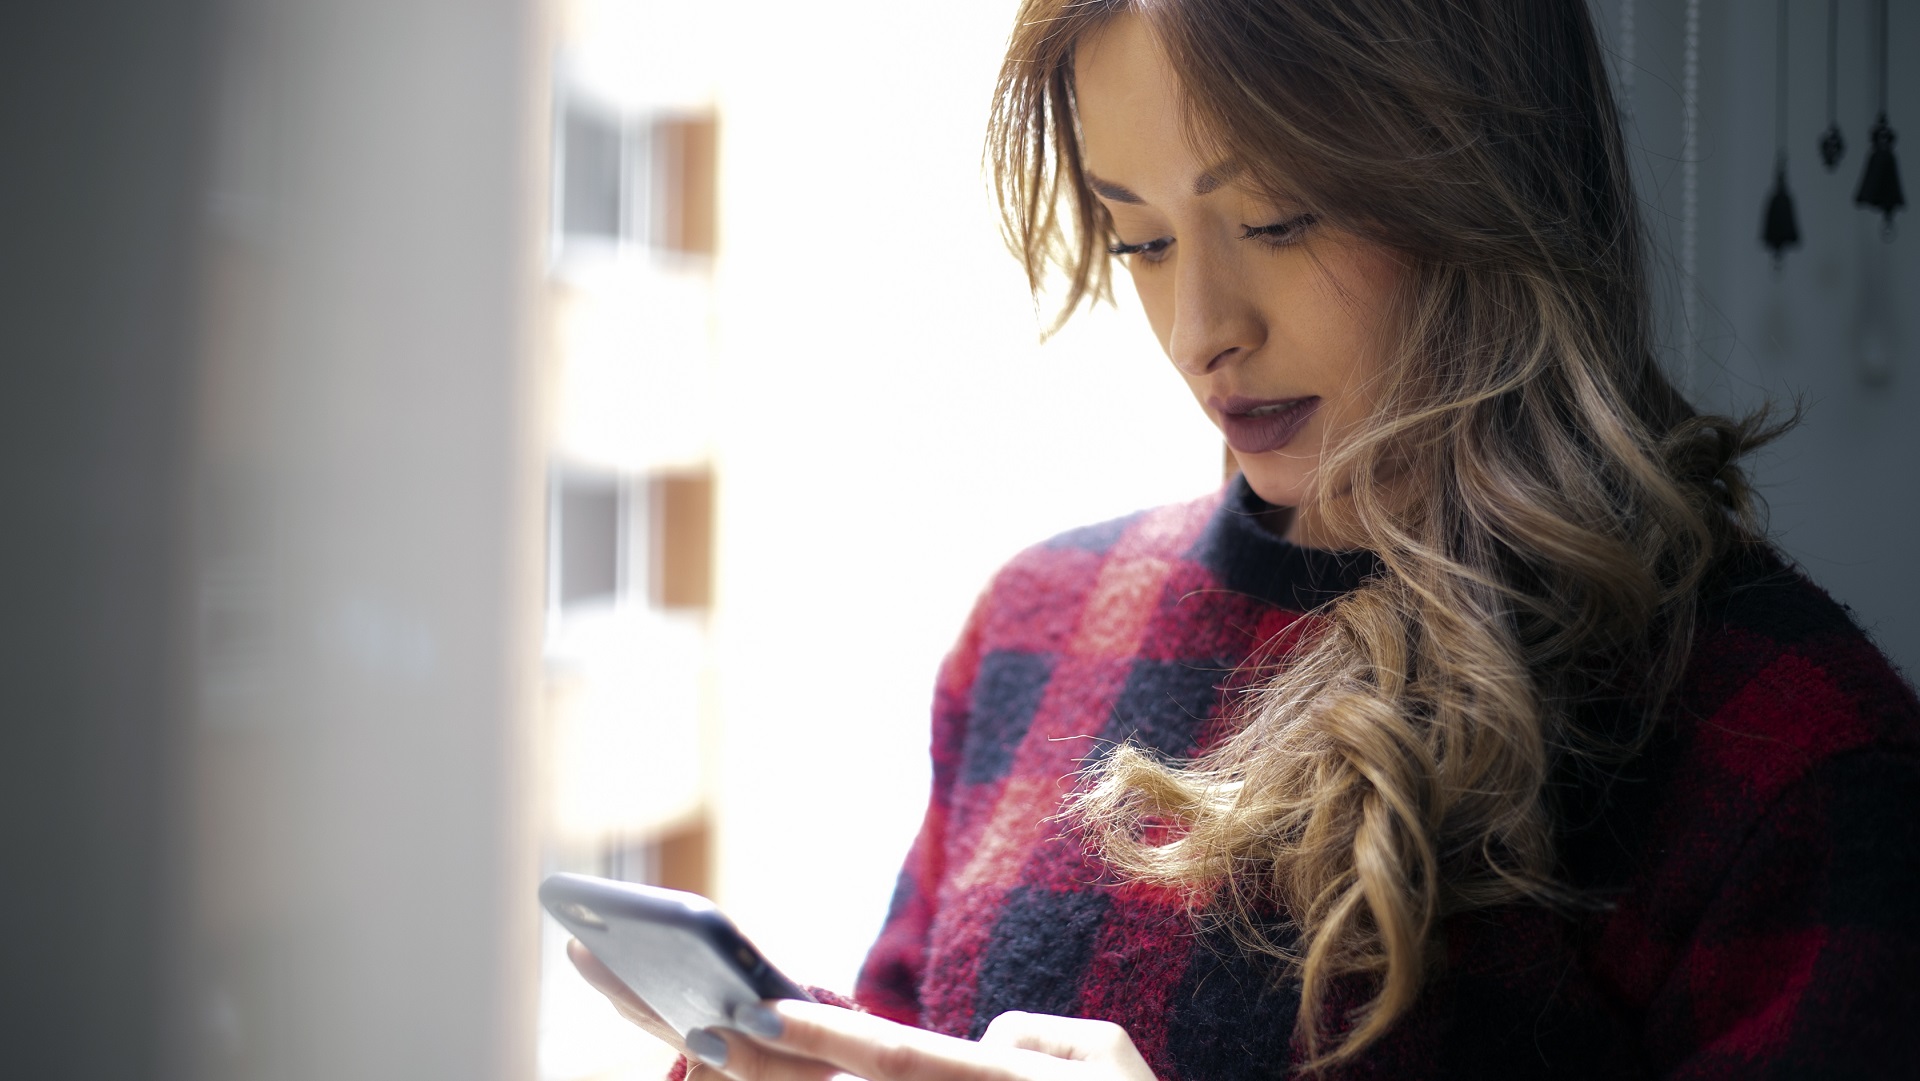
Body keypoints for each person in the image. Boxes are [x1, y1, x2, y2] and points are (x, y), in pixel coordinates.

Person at [572, 0, 1920, 1076]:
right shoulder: (1036, 622)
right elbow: (908, 1012)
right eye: (1140, 238)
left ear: (1484, 179)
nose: (1202, 327)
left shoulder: (1781, 737)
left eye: (1277, 219)